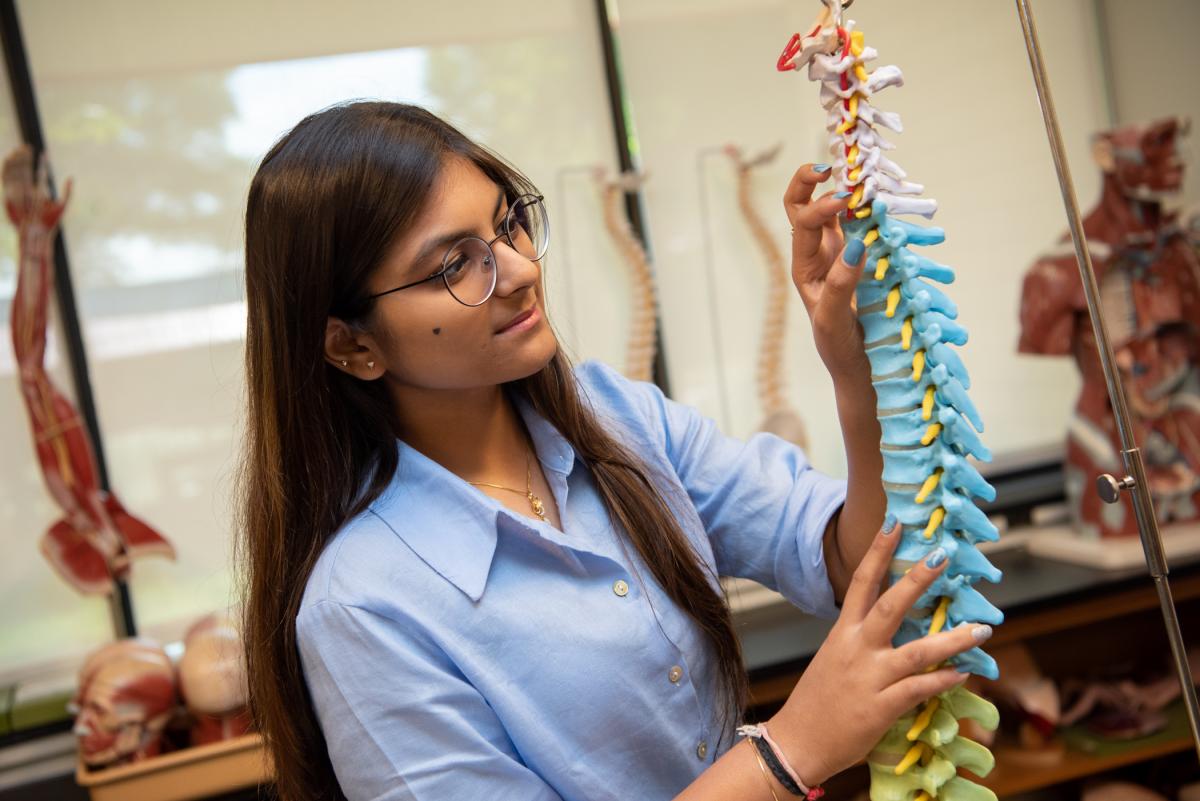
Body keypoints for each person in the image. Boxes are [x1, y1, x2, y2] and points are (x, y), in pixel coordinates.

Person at [237, 101, 990, 801]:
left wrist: (854, 374)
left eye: (508, 225)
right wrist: (790, 749)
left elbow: (851, 557)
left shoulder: (618, 416)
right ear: (352, 343)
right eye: (456, 265)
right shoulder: (362, 606)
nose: (523, 270)